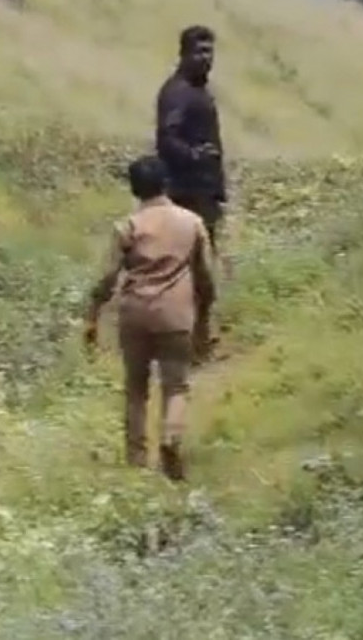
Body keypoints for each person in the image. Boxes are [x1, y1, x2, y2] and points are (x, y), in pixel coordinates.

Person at [83, 155, 217, 483]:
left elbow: (107, 277)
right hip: (176, 314)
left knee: (136, 389)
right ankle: (171, 439)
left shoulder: (128, 226)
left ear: (134, 189)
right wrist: (204, 319)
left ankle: (137, 461)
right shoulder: (192, 222)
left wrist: (92, 316)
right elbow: (205, 278)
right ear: (165, 183)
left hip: (135, 315)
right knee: (176, 386)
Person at [155, 25, 227, 361]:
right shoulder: (178, 92)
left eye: (210, 51)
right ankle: (189, 344)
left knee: (198, 272)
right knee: (193, 273)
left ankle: (197, 340)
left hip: (202, 191)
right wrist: (195, 157)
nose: (206, 58)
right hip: (185, 193)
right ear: (183, 53)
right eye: (199, 51)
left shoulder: (198, 90)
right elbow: (166, 139)